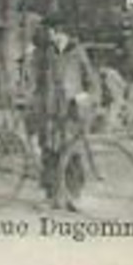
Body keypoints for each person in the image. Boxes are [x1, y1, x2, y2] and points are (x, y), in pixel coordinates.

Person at [31, 15, 101, 208]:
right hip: (51, 111)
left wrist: (85, 96)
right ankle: (51, 196)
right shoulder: (47, 53)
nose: (49, 35)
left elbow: (92, 81)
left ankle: (73, 196)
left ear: (60, 32)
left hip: (71, 112)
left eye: (51, 31)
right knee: (49, 153)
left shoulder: (77, 52)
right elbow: (39, 82)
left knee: (73, 155)